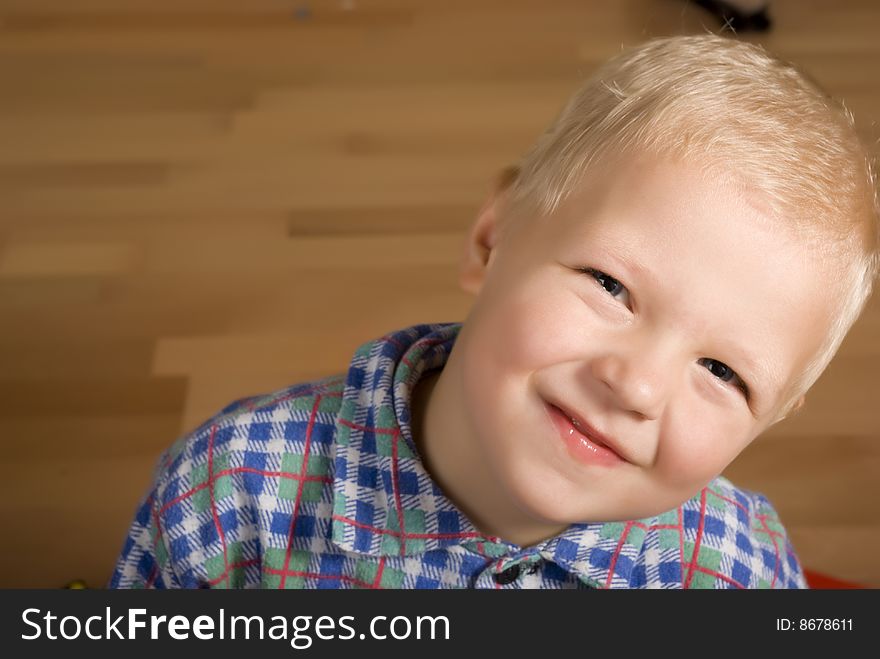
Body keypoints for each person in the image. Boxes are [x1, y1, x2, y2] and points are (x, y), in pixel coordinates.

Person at [110, 33, 878, 589]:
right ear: (492, 237)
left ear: (772, 415)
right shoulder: (227, 493)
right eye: (611, 286)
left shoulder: (740, 574)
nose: (637, 386)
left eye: (721, 370)